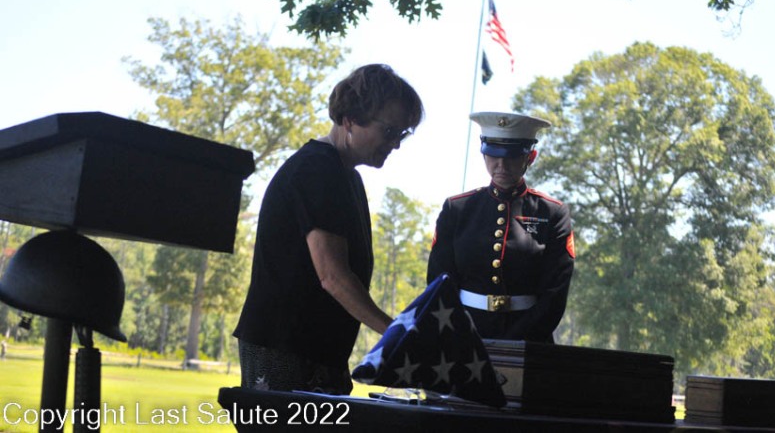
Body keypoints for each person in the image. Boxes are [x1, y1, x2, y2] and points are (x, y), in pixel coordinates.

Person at [234, 63, 424, 394]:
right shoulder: (317, 170)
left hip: (317, 351)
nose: (395, 144)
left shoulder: (345, 175)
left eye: (402, 135)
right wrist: (395, 332)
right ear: (349, 119)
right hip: (285, 349)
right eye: (389, 131)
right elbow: (333, 277)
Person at [427, 111, 575, 343]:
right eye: (493, 155)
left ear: (531, 157)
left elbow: (554, 294)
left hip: (529, 340)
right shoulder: (457, 209)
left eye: (512, 156)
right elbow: (438, 282)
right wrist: (459, 334)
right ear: (483, 154)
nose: (501, 165)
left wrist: (515, 341)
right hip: (463, 337)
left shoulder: (552, 213)